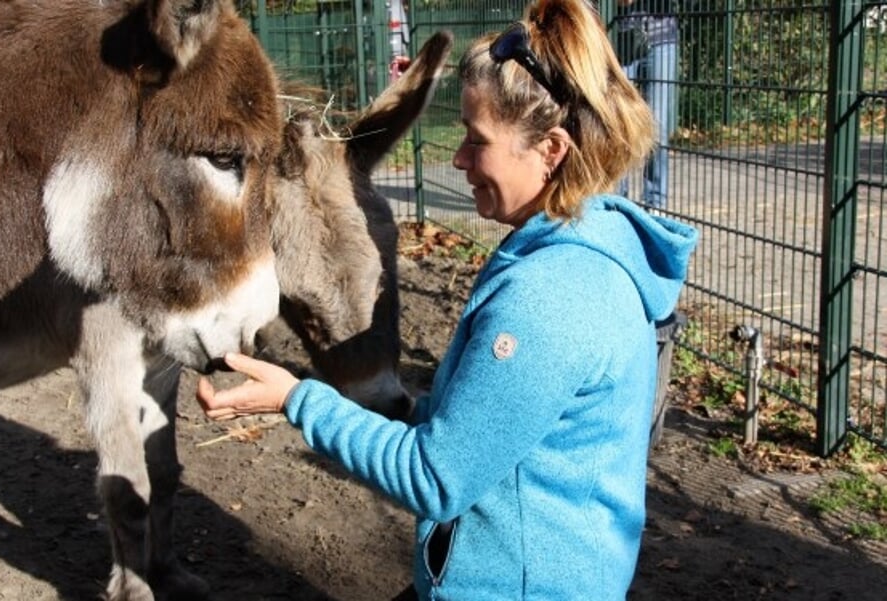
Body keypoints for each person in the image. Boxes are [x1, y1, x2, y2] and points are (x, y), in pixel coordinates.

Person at [197, 0, 698, 599]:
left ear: (552, 151)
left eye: (475, 138)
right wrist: (409, 415)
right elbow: (492, 427)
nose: (458, 158)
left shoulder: (552, 298)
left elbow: (437, 477)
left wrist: (298, 398)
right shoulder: (575, 249)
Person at [614, 0, 680, 209]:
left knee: (657, 125)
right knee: (618, 123)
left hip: (662, 38)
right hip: (621, 40)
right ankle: (617, 201)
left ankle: (655, 203)